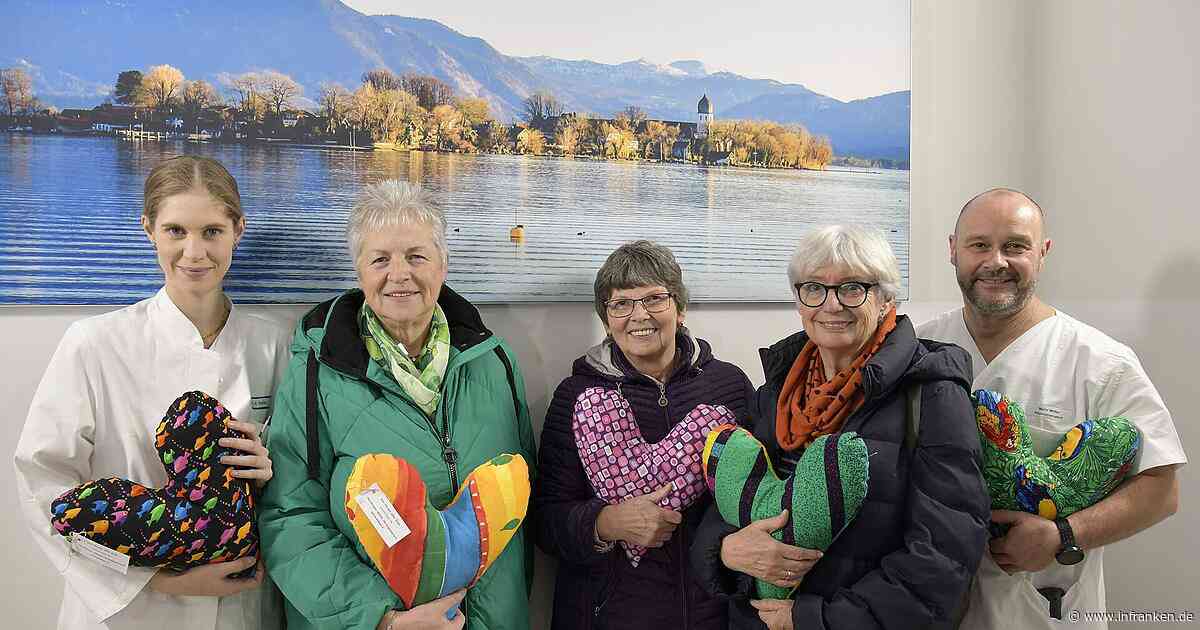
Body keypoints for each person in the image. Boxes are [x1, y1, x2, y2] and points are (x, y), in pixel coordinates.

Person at [14, 155, 289, 630]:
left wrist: (269, 472)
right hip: (128, 612)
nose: (195, 252)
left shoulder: (275, 345)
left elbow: (303, 485)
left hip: (242, 607)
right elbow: (43, 487)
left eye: (212, 232)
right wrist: (155, 580)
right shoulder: (94, 344)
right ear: (148, 229)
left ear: (238, 229)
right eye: (176, 231)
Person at [258, 180, 536, 630]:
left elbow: (523, 508)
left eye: (417, 256)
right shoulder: (316, 370)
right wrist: (382, 620)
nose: (399, 273)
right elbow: (291, 518)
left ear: (444, 265)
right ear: (359, 271)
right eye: (380, 259)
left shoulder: (495, 361)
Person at [691, 225, 990, 629]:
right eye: (813, 288)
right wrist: (724, 551)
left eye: (853, 288)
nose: (831, 305)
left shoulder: (932, 394)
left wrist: (813, 619)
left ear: (886, 299)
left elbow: (944, 560)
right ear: (799, 300)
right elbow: (721, 502)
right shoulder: (777, 390)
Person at [918, 188, 1186, 629]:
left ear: (1042, 253)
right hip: (929, 609)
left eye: (1016, 246)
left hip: (1043, 609)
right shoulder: (920, 350)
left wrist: (1064, 535)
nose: (996, 261)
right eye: (980, 245)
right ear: (953, 250)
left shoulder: (1100, 362)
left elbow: (1161, 490)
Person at [531, 240, 754, 630]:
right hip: (607, 616)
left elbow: (757, 492)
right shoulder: (576, 397)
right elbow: (546, 522)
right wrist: (607, 523)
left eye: (655, 299)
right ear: (606, 319)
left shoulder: (730, 386)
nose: (639, 315)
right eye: (621, 304)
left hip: (710, 615)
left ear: (680, 309)